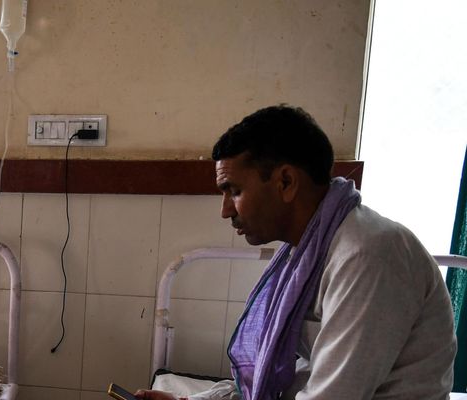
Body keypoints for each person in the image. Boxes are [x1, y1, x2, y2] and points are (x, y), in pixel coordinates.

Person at [137, 105, 455, 400]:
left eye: (235, 191)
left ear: (286, 182)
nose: (225, 211)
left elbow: (331, 395)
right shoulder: (308, 253)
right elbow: (290, 373)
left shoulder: (367, 256)